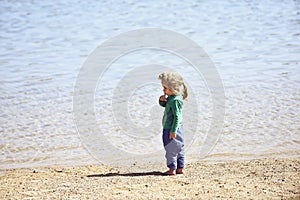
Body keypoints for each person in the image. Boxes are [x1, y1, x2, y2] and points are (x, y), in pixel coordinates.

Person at [158, 72, 188, 175]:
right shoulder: (173, 98)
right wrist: (162, 101)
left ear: (173, 89)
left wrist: (173, 130)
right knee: (179, 147)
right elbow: (168, 107)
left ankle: (172, 169)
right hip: (176, 128)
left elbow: (177, 117)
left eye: (165, 88)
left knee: (170, 148)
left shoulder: (175, 100)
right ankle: (179, 168)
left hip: (171, 128)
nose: (163, 90)